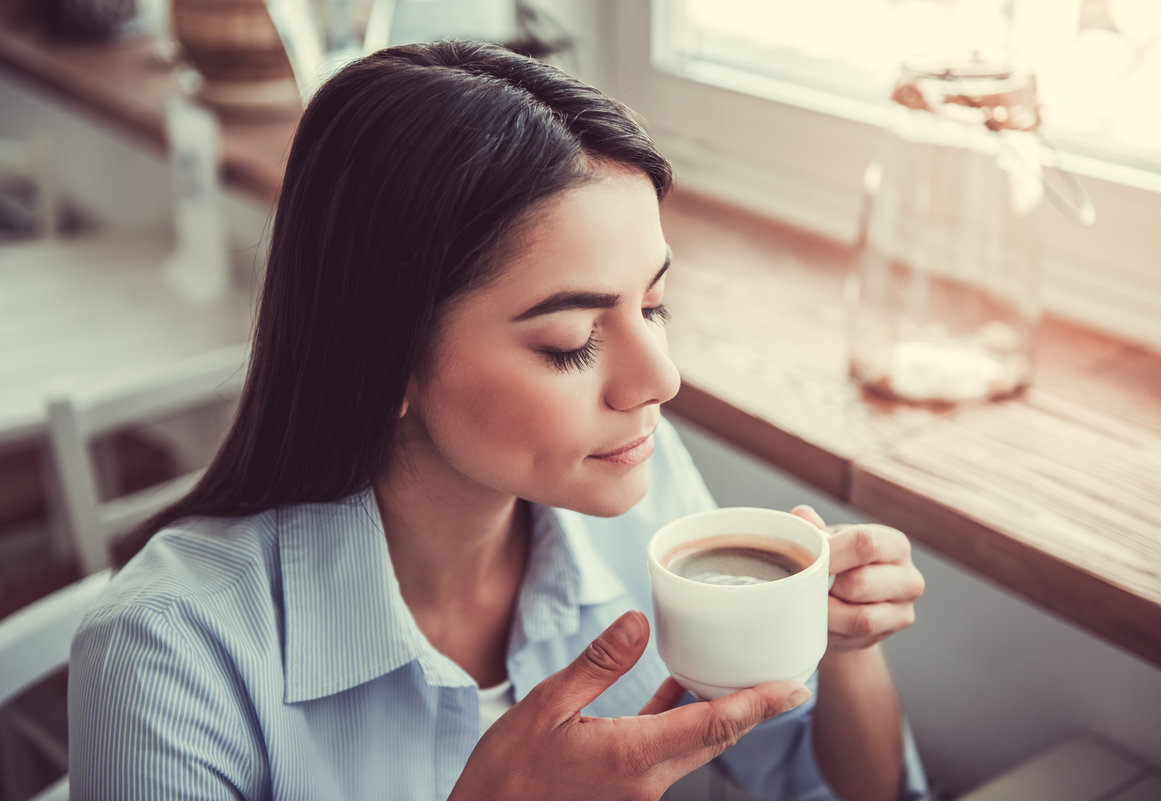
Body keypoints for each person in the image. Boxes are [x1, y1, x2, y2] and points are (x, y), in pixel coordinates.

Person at [69, 40, 928, 801]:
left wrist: (842, 646)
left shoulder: (643, 485)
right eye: (569, 342)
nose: (658, 381)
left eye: (655, 306)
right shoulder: (167, 655)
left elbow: (841, 785)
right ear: (383, 362)